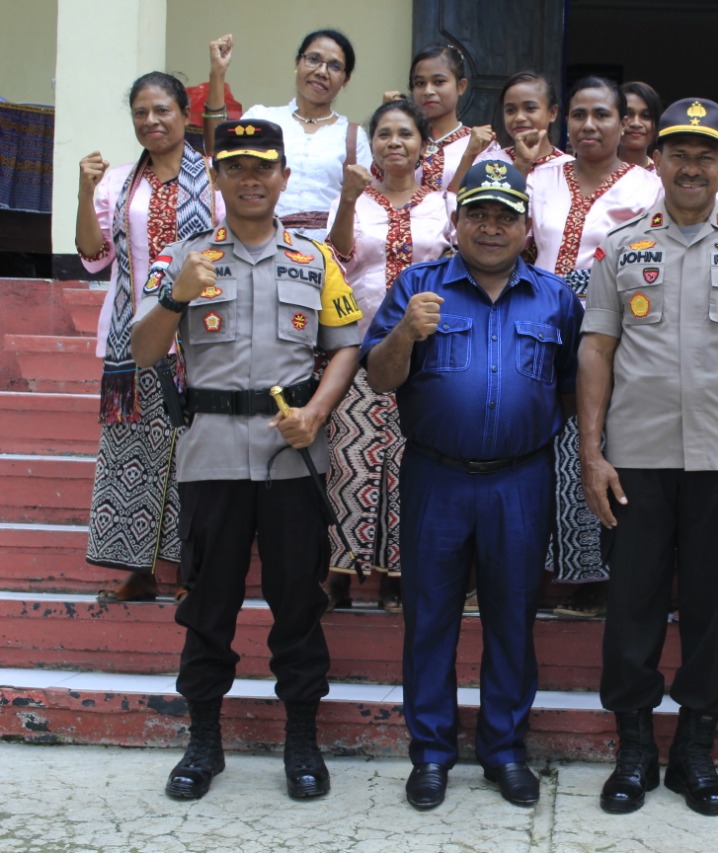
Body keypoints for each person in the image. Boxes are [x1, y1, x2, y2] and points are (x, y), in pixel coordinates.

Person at [579, 98, 718, 816]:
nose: (691, 165)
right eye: (679, 152)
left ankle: (695, 752)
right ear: (658, 160)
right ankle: (635, 749)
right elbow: (596, 349)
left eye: (706, 154)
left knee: (713, 611)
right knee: (633, 609)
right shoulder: (619, 247)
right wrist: (591, 452)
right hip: (637, 459)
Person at [131, 119, 363, 801]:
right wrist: (178, 292)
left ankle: (301, 739)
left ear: (285, 177)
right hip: (212, 457)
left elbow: (346, 343)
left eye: (264, 166)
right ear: (219, 177)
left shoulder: (314, 258)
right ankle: (204, 740)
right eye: (236, 166)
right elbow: (144, 353)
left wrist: (318, 410)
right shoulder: (185, 257)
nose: (251, 178)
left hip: (293, 457)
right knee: (208, 605)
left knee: (298, 602)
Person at [362, 160, 583, 810]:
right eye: (478, 214)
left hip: (521, 479)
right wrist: (406, 331)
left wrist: (520, 428)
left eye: (504, 215)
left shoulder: (554, 296)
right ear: (456, 222)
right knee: (429, 619)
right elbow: (378, 376)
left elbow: (569, 385)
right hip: (437, 476)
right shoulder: (418, 285)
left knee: (512, 618)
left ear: (525, 225)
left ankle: (504, 750)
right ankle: (431, 754)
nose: (491, 227)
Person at [76, 72, 223, 602]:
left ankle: (191, 569)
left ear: (185, 114)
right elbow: (94, 257)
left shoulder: (213, 177)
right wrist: (84, 189)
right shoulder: (118, 181)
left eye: (162, 110)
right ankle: (137, 570)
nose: (151, 122)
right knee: (130, 451)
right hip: (130, 338)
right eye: (140, 113)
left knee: (194, 450)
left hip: (201, 337)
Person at [526, 76, 661, 618]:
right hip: (538, 321)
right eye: (578, 115)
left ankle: (597, 574)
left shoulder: (647, 185)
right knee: (537, 437)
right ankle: (532, 563)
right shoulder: (540, 177)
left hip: (613, 325)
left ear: (622, 120)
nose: (588, 125)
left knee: (596, 438)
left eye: (601, 115)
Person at [321, 98, 453, 612]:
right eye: (383, 134)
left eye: (405, 134)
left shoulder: (443, 204)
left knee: (407, 461)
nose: (393, 142)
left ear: (423, 144)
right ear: (371, 144)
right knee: (350, 460)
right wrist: (351, 201)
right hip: (356, 344)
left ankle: (398, 571)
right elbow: (337, 257)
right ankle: (339, 568)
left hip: (423, 348)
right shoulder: (354, 198)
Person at [204, 31, 372, 241]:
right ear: (297, 63)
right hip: (260, 243)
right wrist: (217, 74)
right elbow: (219, 151)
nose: (322, 71)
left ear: (345, 80)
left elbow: (365, 206)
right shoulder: (262, 117)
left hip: (326, 252)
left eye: (335, 66)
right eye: (313, 59)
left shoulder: (352, 136)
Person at [403, 44, 494, 193]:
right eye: (420, 83)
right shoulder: (401, 141)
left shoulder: (482, 145)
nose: (428, 91)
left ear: (461, 86)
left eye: (438, 82)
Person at [481, 70, 572, 175]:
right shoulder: (489, 163)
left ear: (552, 113)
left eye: (530, 108)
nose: (519, 118)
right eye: (510, 110)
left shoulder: (569, 168)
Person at [618, 81, 662, 169]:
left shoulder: (663, 177)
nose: (636, 123)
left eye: (646, 116)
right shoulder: (594, 173)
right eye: (628, 114)